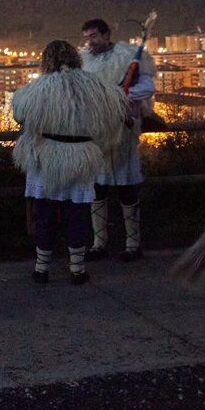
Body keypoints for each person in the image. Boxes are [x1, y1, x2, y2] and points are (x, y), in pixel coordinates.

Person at [12, 40, 126, 284]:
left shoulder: (38, 89)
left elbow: (19, 114)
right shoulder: (96, 87)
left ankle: (42, 268)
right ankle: (77, 269)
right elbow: (115, 112)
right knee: (78, 214)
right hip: (81, 156)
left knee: (45, 214)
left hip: (47, 157)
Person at [80, 18, 156, 261]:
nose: (89, 42)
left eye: (93, 36)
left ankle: (133, 245)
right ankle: (99, 243)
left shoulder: (127, 57)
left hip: (124, 133)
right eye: (87, 37)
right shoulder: (84, 63)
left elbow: (147, 86)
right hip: (98, 134)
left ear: (106, 34)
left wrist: (118, 95)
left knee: (126, 188)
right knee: (98, 188)